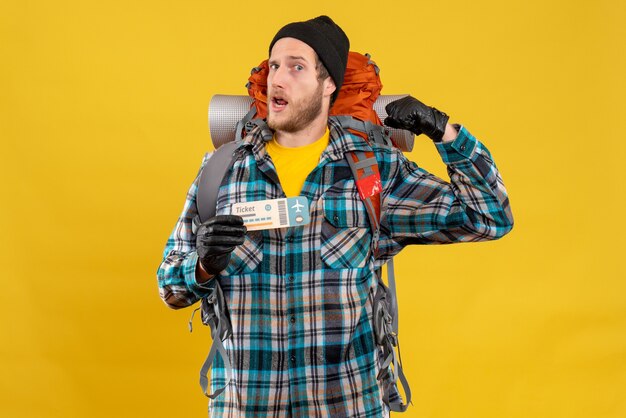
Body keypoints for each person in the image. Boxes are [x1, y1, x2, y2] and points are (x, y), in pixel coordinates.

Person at [157, 15, 513, 418]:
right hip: (245, 406)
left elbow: (489, 216)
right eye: (274, 66)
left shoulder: (374, 172)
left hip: (346, 405)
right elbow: (170, 287)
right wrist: (202, 266)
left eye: (296, 67)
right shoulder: (222, 171)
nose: (278, 79)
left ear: (329, 85)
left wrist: (444, 131)